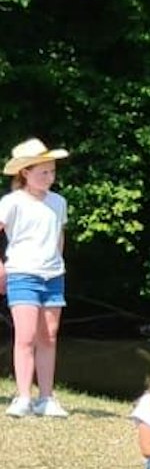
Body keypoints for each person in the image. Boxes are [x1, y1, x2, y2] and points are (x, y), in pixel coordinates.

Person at [1, 138, 71, 418]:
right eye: (43, 172)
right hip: (22, 272)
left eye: (52, 171)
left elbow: (59, 235)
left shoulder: (58, 202)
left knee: (49, 336)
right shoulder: (12, 202)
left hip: (53, 274)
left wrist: (58, 261)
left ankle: (46, 397)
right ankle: (23, 397)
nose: (49, 177)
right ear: (25, 173)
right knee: (26, 335)